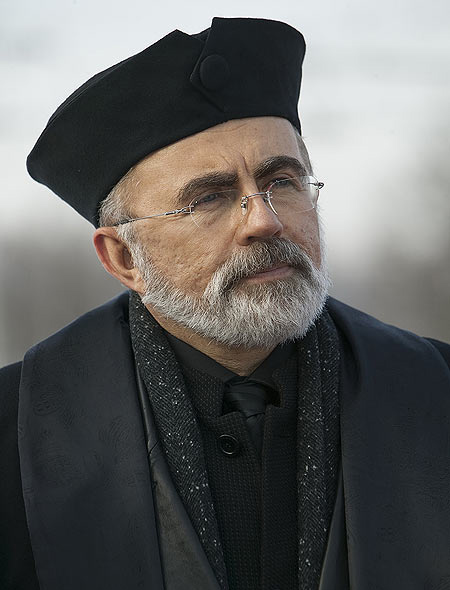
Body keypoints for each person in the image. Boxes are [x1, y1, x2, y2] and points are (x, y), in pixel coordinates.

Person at [1, 16, 449, 590]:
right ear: (124, 258)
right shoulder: (16, 432)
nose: (264, 220)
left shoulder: (434, 390)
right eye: (209, 198)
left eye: (282, 181)